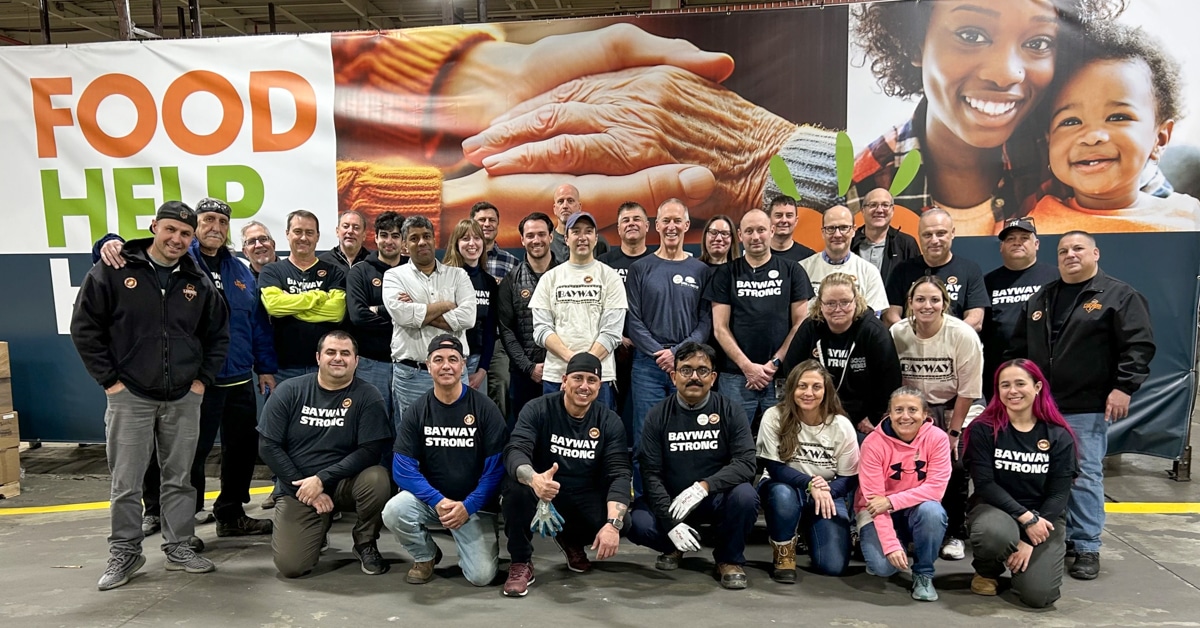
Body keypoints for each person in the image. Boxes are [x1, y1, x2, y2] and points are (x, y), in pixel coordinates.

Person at [849, 0, 1133, 235]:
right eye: (971, 35)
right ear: (914, 43)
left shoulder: (1082, 150)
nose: (1006, 73)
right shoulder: (861, 188)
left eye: (1038, 42)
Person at [93, 198, 278, 538]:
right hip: (192, 380)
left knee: (241, 450)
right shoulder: (181, 257)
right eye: (208, 220)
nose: (215, 228)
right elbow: (129, 258)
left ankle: (231, 512)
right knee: (183, 453)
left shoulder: (239, 271)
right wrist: (106, 242)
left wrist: (265, 366)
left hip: (236, 377)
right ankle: (172, 516)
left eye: (222, 223)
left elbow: (257, 324)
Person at [71, 201, 230, 590]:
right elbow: (85, 327)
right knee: (125, 481)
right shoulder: (114, 269)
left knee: (180, 479)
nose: (177, 239)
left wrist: (200, 382)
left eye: (185, 234)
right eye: (171, 230)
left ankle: (178, 546)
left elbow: (217, 336)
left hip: (183, 397)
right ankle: (125, 552)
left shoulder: (197, 279)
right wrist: (111, 381)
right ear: (154, 226)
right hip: (130, 396)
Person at [1009, 230, 1154, 580]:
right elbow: (1017, 349)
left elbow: (1139, 346)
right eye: (1063, 251)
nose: (1070, 255)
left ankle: (1087, 545)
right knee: (1039, 474)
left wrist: (1124, 387)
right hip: (1040, 405)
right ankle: (1059, 537)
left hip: (1086, 405)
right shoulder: (1042, 298)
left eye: (1078, 249)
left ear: (1096, 253)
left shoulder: (1120, 296)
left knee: (1084, 474)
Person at [1028, 22, 1200, 233]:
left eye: (1117, 117)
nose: (1091, 137)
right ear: (1049, 140)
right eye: (1070, 121)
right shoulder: (1035, 222)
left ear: (1160, 139)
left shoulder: (1189, 216)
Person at [257, 331, 394, 578]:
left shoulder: (368, 396)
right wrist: (304, 486)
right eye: (331, 352)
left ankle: (365, 541)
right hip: (298, 486)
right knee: (292, 567)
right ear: (318, 357)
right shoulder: (289, 391)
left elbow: (370, 451)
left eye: (345, 353)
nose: (338, 358)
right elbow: (268, 446)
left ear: (356, 360)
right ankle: (318, 528)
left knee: (378, 478)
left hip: (344, 483)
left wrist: (321, 479)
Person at [626, 342, 757, 589]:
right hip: (672, 501)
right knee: (637, 524)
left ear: (713, 377)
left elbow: (746, 463)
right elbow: (650, 473)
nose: (694, 377)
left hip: (713, 499)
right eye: (686, 370)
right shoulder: (657, 414)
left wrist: (704, 487)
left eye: (702, 370)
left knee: (745, 496)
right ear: (674, 376)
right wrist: (670, 521)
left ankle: (728, 559)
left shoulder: (730, 410)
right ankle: (676, 545)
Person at [501, 353, 632, 597]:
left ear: (599, 386)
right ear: (564, 381)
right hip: (542, 490)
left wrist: (612, 525)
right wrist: (534, 479)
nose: (584, 386)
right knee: (515, 489)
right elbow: (515, 450)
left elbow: (620, 473)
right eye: (578, 378)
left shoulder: (609, 420)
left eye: (592, 380)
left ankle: (571, 539)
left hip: (582, 492)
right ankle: (520, 562)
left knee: (623, 521)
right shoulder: (538, 408)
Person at [382, 334, 506, 586]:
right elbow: (402, 468)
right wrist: (437, 501)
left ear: (463, 365)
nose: (446, 365)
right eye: (438, 360)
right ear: (428, 366)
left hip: (474, 506)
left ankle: (472, 545)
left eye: (453, 359)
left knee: (481, 577)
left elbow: (496, 469)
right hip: (432, 502)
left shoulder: (485, 409)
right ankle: (426, 556)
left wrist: (468, 506)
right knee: (394, 510)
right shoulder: (418, 410)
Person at [964, 359, 1077, 608]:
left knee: (1039, 596)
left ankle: (1022, 570)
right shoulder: (984, 429)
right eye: (1005, 385)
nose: (1012, 391)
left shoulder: (1058, 435)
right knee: (993, 533)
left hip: (1044, 517)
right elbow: (985, 484)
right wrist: (1026, 519)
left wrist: (1030, 539)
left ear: (1037, 387)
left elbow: (1059, 494)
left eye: (1020, 383)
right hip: (996, 509)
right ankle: (987, 570)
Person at [891, 276, 984, 562]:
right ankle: (907, 530)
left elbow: (969, 390)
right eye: (920, 299)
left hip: (957, 404)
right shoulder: (898, 332)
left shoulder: (962, 334)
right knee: (906, 464)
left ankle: (955, 532)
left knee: (954, 465)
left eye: (934, 300)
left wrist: (952, 434)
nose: (927, 305)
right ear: (910, 303)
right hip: (915, 408)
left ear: (945, 303)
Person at [706, 209, 812, 428]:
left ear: (772, 231)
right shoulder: (726, 273)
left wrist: (774, 363)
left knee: (782, 441)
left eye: (761, 230)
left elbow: (801, 323)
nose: (755, 237)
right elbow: (719, 328)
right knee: (734, 441)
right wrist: (748, 367)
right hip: (735, 376)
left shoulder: (792, 271)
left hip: (780, 375)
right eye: (749, 231)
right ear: (740, 235)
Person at [757, 360, 860, 581]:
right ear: (791, 388)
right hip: (785, 486)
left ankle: (804, 526)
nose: (808, 393)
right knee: (782, 495)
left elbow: (849, 478)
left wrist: (826, 492)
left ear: (826, 391)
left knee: (833, 566)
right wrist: (810, 484)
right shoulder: (774, 416)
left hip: (826, 492)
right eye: (802, 386)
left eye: (816, 387)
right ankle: (784, 552)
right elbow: (774, 467)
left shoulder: (841, 425)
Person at [626, 199, 711, 458]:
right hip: (647, 366)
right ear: (657, 226)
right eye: (666, 221)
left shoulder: (701, 270)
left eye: (677, 221)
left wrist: (678, 353)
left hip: (689, 365)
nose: (671, 226)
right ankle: (643, 498)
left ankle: (686, 498)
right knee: (645, 437)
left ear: (686, 225)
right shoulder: (640, 268)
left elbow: (705, 321)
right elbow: (633, 320)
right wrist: (660, 354)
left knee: (688, 438)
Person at [856, 387, 951, 602]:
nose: (905, 416)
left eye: (912, 410)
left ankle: (923, 573)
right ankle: (890, 544)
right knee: (883, 568)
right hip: (877, 513)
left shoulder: (938, 439)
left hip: (913, 509)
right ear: (889, 414)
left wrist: (890, 501)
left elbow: (936, 489)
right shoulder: (873, 443)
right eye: (898, 410)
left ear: (925, 414)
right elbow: (873, 502)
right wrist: (889, 545)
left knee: (933, 511)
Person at [781, 273, 902, 440]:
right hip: (816, 412)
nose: (838, 309)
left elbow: (891, 378)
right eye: (830, 303)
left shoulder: (873, 331)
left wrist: (873, 416)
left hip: (861, 419)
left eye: (845, 302)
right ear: (820, 305)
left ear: (856, 301)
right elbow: (792, 371)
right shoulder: (810, 327)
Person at [382, 216, 477, 422]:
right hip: (411, 375)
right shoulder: (393, 276)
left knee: (458, 432)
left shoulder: (458, 275)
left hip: (454, 372)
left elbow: (468, 318)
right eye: (414, 238)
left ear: (435, 240)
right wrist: (446, 305)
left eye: (426, 236)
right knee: (411, 438)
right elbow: (402, 315)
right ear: (405, 245)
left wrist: (417, 309)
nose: (422, 242)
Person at [531, 210, 627, 408]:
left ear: (595, 238)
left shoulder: (610, 278)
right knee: (555, 437)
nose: (582, 237)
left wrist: (584, 369)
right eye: (576, 231)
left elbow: (612, 333)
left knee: (597, 435)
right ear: (566, 238)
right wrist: (573, 363)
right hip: (557, 376)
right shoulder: (550, 278)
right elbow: (541, 330)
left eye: (588, 231)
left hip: (599, 377)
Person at [258, 210, 347, 384]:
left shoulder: (334, 272)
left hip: (325, 366)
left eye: (309, 232)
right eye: (298, 231)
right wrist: (319, 296)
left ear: (318, 236)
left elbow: (336, 312)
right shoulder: (272, 271)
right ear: (287, 234)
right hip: (283, 368)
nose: (303, 238)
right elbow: (274, 306)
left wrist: (291, 304)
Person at [982, 218, 1056, 399]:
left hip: (1046, 375)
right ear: (1001, 247)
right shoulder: (988, 282)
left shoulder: (1056, 278)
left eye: (1024, 237)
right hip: (1000, 374)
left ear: (1036, 244)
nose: (1017, 242)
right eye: (1010, 239)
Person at [497, 212, 560, 423]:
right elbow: (507, 330)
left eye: (541, 234)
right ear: (522, 240)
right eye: (530, 235)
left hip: (563, 372)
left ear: (551, 236)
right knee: (526, 435)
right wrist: (529, 367)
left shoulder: (567, 275)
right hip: (524, 375)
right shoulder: (511, 280)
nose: (536, 240)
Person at [597, 201, 653, 439]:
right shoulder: (605, 263)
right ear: (618, 229)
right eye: (625, 220)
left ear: (648, 226)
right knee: (609, 412)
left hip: (648, 350)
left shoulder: (657, 260)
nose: (631, 224)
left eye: (636, 219)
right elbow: (595, 305)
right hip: (611, 349)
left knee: (647, 415)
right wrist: (616, 337)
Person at [346, 211, 408, 421]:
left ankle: (401, 457)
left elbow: (424, 311)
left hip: (408, 363)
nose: (389, 241)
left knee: (406, 423)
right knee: (373, 422)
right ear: (375, 237)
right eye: (384, 235)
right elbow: (358, 316)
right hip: (371, 363)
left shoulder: (415, 270)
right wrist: (404, 316)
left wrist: (378, 309)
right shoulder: (360, 271)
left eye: (395, 235)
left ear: (403, 239)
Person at [883, 209, 989, 331]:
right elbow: (890, 317)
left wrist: (943, 338)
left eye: (940, 233)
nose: (934, 240)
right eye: (927, 235)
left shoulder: (970, 270)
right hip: (911, 345)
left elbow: (975, 320)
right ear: (919, 236)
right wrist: (916, 337)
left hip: (955, 346)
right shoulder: (902, 270)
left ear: (952, 233)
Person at [472, 202, 520, 420]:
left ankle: (497, 447)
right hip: (468, 342)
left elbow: (518, 304)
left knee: (499, 391)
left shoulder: (512, 263)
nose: (487, 224)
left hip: (499, 342)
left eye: (492, 220)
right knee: (468, 396)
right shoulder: (458, 262)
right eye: (481, 220)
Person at [442, 219, 499, 394]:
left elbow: (490, 330)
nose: (472, 243)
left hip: (476, 362)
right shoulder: (444, 276)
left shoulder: (489, 282)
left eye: (477, 238)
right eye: (465, 238)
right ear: (456, 243)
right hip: (447, 360)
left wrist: (482, 370)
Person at [799, 205, 888, 313]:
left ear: (853, 230)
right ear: (823, 232)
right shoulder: (802, 269)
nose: (837, 234)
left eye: (844, 228)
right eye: (831, 228)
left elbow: (873, 321)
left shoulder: (869, 272)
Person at [850, 188, 920, 285]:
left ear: (892, 210)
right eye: (873, 205)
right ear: (863, 211)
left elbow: (917, 285)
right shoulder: (849, 243)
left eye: (885, 205)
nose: (879, 210)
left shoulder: (906, 244)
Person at [549, 184, 611, 262]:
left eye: (570, 201)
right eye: (560, 202)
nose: (565, 206)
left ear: (579, 207)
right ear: (554, 209)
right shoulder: (548, 242)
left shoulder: (598, 242)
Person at [767, 195, 816, 262]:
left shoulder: (809, 258)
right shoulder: (755, 254)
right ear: (769, 219)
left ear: (796, 221)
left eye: (789, 215)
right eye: (778, 215)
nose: (784, 220)